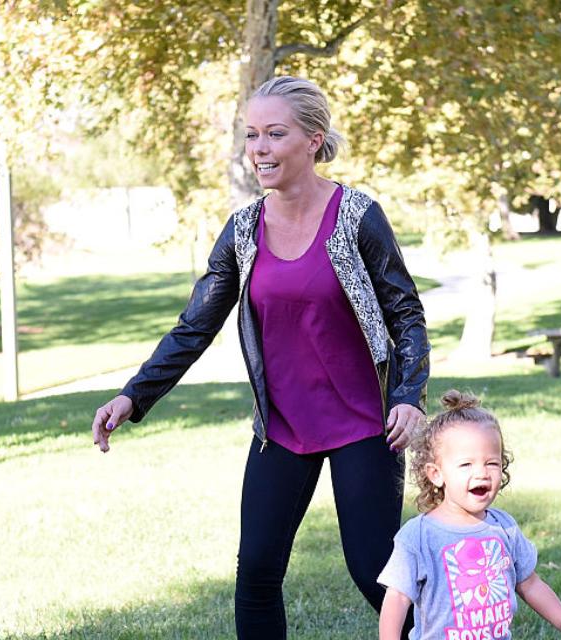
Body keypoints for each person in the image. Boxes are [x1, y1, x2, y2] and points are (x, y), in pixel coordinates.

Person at [91, 76, 430, 637]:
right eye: (252, 135)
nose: (260, 149)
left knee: (374, 574)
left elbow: (406, 312)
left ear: (313, 140)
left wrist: (408, 396)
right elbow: (195, 324)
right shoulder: (244, 230)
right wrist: (135, 394)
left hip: (365, 423)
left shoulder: (357, 216)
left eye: (276, 134)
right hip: (283, 426)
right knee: (256, 577)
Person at [377, 390, 561, 640]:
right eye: (466, 464)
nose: (482, 473)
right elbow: (397, 598)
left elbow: (530, 584)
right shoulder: (418, 536)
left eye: (491, 463)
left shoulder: (504, 527)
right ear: (436, 474)